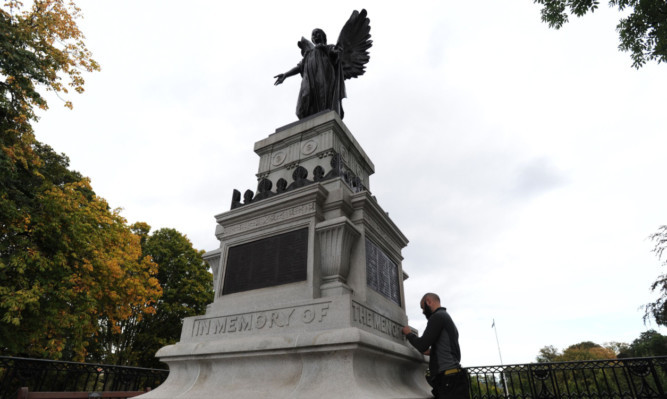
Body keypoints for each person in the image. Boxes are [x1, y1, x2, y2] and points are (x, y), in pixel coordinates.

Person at [402, 293, 470, 399]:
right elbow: (448, 348)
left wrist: (409, 334)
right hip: (455, 379)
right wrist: (432, 352)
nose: (423, 311)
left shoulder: (437, 317)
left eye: (423, 307)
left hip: (448, 380)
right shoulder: (446, 318)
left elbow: (422, 345)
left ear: (428, 301)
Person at [274, 28, 346, 120]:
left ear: (323, 37)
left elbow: (336, 53)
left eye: (317, 33)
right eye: (313, 34)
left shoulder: (328, 48)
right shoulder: (308, 53)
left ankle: (324, 117)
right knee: (304, 100)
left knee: (323, 98)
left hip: (325, 76)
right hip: (309, 79)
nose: (315, 36)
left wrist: (336, 51)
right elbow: (299, 67)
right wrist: (285, 75)